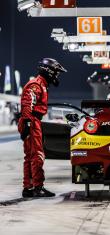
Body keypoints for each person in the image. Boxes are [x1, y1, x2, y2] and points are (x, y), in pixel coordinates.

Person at [18, 58, 67, 198]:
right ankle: (37, 187)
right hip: (32, 121)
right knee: (37, 156)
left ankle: (28, 188)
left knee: (30, 157)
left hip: (32, 121)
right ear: (49, 71)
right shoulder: (36, 84)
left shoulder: (42, 84)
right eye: (56, 73)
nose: (57, 76)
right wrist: (28, 123)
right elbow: (27, 104)